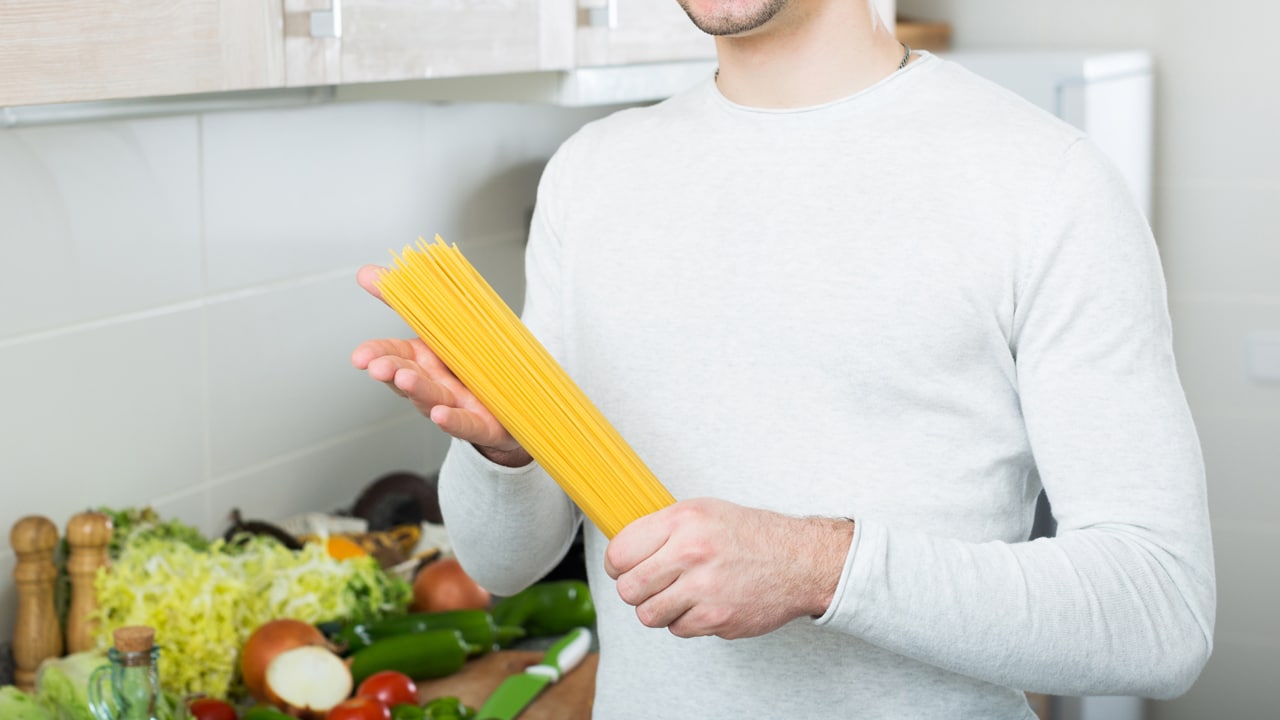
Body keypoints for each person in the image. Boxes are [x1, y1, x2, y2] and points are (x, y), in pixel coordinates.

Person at [352, 1, 1215, 717]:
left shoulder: (1044, 182)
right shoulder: (594, 175)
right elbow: (504, 565)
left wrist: (817, 568)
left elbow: (1161, 614)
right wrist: (506, 452)